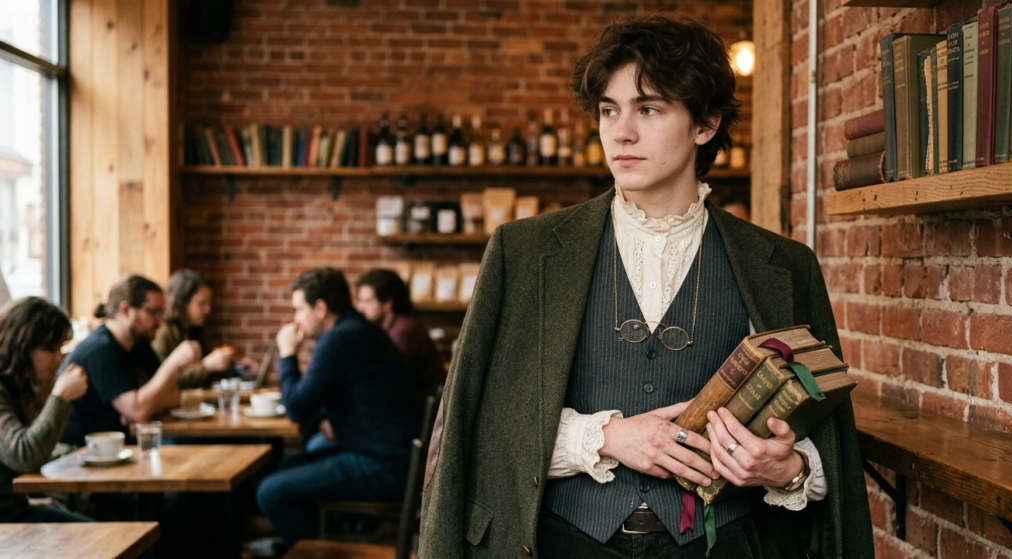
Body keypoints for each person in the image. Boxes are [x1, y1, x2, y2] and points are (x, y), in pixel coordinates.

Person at [418, 16, 872, 559]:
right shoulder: (524, 252)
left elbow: (828, 448)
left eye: (648, 109)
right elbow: (477, 420)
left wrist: (789, 469)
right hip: (559, 542)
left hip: (725, 545)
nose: (620, 132)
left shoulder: (784, 266)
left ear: (705, 124)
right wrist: (607, 438)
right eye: (609, 110)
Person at [256, 268, 419, 549]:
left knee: (271, 491)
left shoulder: (340, 338)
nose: (295, 319)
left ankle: (319, 551)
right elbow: (325, 395)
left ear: (320, 308)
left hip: (384, 465)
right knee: (284, 467)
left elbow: (296, 407)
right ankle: (322, 540)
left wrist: (287, 352)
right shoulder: (357, 329)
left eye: (298, 309)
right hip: (389, 456)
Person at [60, 275, 200, 446]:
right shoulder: (100, 350)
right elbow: (139, 411)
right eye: (154, 312)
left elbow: (174, 396)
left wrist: (143, 405)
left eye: (162, 312)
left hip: (122, 444)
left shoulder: (139, 344)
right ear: (125, 309)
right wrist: (172, 364)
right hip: (86, 452)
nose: (161, 320)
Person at [0, 297, 91, 523]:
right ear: (22, 348)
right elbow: (23, 455)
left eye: (61, 347)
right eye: (51, 349)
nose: (60, 358)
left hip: (16, 509)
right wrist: (60, 397)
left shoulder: (19, 385)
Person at [152, 269, 255, 388]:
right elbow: (163, 382)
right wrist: (207, 365)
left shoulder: (192, 331)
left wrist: (235, 367)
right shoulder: (163, 333)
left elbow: (200, 377)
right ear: (182, 302)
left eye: (208, 303)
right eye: (201, 303)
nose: (208, 310)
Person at [355, 269, 446, 400]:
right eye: (360, 301)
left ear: (387, 304)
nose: (360, 308)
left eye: (367, 301)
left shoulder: (404, 331)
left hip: (411, 410)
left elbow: (383, 377)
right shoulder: (394, 327)